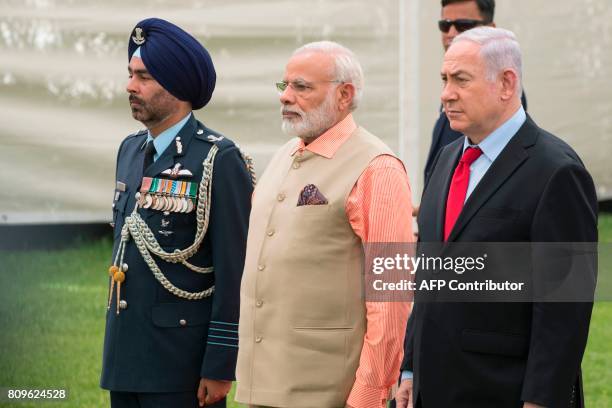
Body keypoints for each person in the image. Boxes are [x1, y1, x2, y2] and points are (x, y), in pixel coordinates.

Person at [396, 27, 597, 408]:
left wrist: (541, 400)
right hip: (432, 387)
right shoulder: (447, 159)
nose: (446, 94)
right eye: (444, 80)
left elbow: (564, 310)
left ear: (507, 83)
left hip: (500, 390)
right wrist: (409, 367)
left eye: (460, 80)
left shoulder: (556, 171)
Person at [234, 41, 414, 408]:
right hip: (264, 387)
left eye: (301, 87)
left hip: (329, 393)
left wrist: (368, 395)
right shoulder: (285, 154)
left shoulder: (377, 167)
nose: (285, 97)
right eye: (283, 86)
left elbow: (392, 298)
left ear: (344, 95)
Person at [100, 18, 254, 408]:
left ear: (180, 87)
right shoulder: (130, 149)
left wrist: (221, 364)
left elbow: (235, 268)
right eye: (131, 74)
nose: (130, 87)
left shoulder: (219, 159)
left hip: (179, 363)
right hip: (126, 354)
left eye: (145, 77)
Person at [424, 0, 527, 186]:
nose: (452, 34)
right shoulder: (456, 96)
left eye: (464, 25)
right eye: (445, 25)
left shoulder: (500, 99)